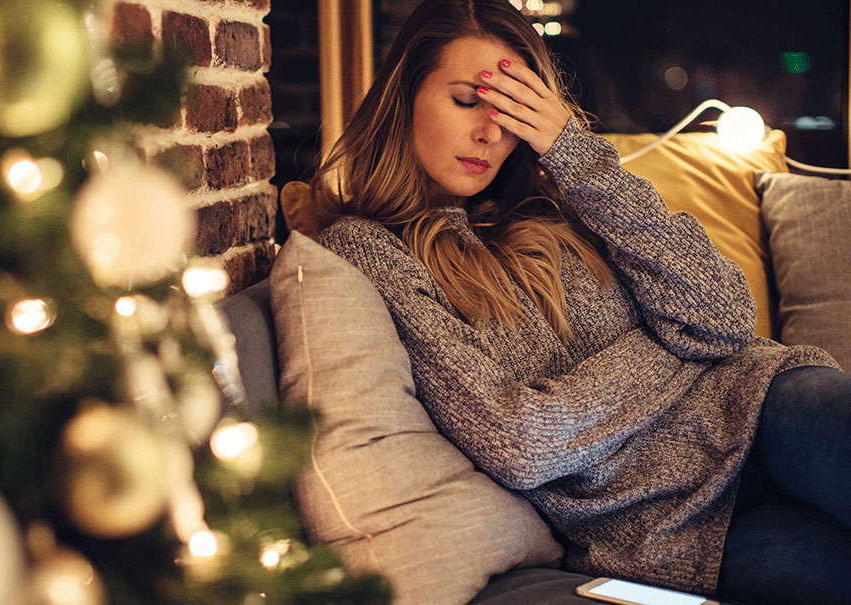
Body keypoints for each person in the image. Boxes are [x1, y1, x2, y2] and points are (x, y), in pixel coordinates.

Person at [308, 1, 851, 603]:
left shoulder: (560, 200)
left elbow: (724, 316)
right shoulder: (368, 249)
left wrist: (574, 152)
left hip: (758, 408)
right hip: (657, 528)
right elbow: (521, 442)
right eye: (466, 101)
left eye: (512, 112)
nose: (491, 133)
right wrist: (673, 343)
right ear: (403, 97)